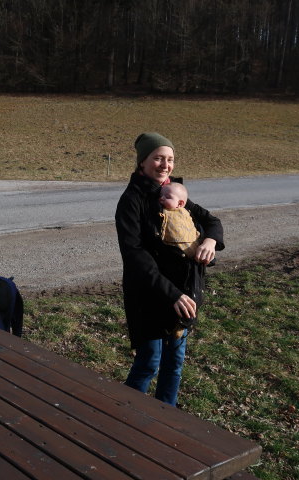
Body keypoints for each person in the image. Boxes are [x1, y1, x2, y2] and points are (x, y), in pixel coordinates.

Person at [115, 132, 224, 407]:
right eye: (158, 158)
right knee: (148, 364)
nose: (165, 165)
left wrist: (210, 241)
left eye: (170, 159)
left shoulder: (174, 192)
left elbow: (211, 220)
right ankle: (123, 419)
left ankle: (167, 419)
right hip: (151, 295)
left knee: (173, 365)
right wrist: (171, 294)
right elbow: (135, 254)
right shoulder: (132, 201)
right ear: (143, 162)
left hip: (185, 295)